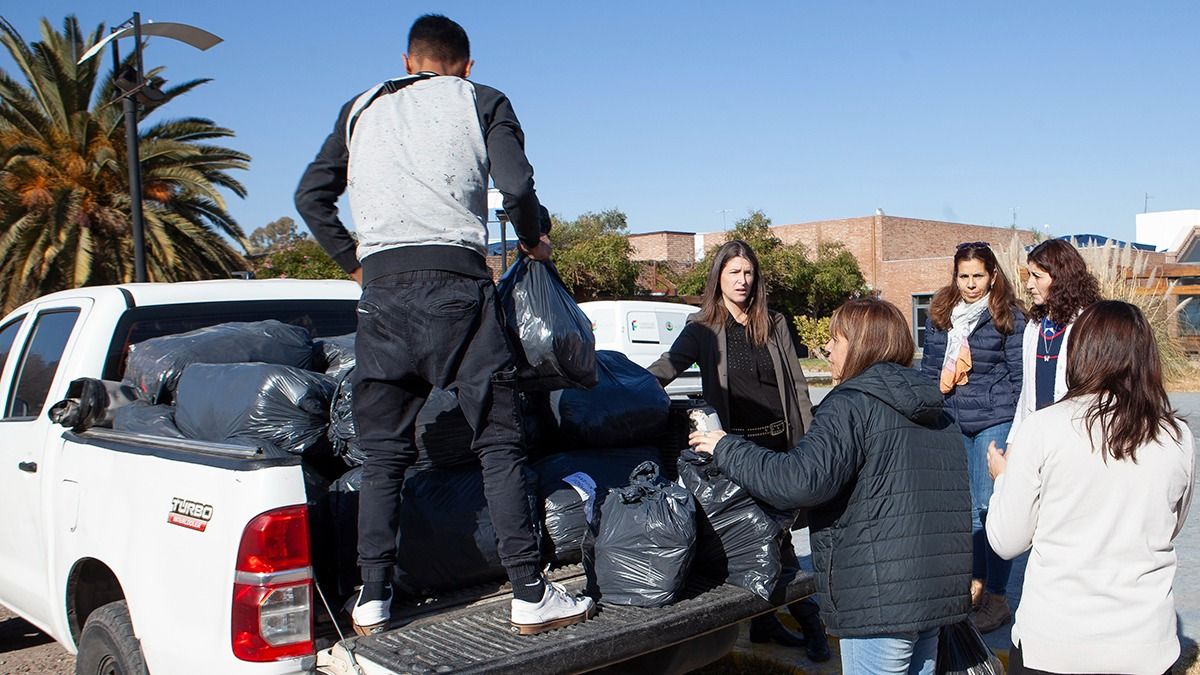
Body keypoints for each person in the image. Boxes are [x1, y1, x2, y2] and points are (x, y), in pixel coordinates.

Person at [294, 14, 594, 636]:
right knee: (499, 441)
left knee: (382, 457)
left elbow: (310, 197)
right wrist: (535, 238)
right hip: (457, 285)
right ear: (466, 64)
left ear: (407, 63)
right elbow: (516, 183)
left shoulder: (360, 108)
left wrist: (353, 263)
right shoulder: (482, 100)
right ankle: (530, 595)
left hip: (381, 298)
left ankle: (372, 597)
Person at [690, 298, 971, 675]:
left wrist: (726, 447)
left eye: (835, 340)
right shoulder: (938, 413)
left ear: (858, 345)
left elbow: (799, 481)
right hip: (933, 600)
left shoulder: (851, 405)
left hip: (878, 604)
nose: (827, 350)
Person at [986, 301, 1194, 674]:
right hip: (1145, 644)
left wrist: (1003, 479)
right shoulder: (1176, 436)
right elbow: (1170, 523)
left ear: (1080, 352)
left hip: (1054, 642)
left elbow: (1006, 540)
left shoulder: (1044, 427)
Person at [647, 240, 830, 662]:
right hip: (734, 452)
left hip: (779, 448)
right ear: (719, 277)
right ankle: (808, 621)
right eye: (734, 273)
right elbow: (667, 367)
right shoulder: (702, 327)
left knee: (777, 534)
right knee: (766, 538)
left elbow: (799, 387)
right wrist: (627, 387)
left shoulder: (776, 322)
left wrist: (809, 439)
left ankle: (769, 622)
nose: (743, 281)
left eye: (748, 273)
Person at [918, 241, 1025, 632]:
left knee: (987, 507)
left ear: (992, 275)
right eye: (963, 276)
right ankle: (973, 586)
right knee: (964, 511)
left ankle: (995, 596)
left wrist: (1017, 429)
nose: (970, 284)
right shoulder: (943, 313)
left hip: (994, 419)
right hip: (953, 418)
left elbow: (1020, 376)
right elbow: (931, 369)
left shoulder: (1007, 315)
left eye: (978, 276)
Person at [1011, 238, 1102, 437]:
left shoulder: (1088, 324)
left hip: (1074, 436)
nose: (1029, 285)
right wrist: (1013, 442)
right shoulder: (1034, 326)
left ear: (1062, 278)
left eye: (1037, 276)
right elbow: (1026, 393)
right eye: (1029, 275)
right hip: (1036, 435)